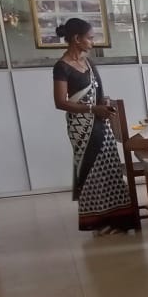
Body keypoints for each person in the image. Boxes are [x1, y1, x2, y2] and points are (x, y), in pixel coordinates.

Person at [51, 17, 138, 235]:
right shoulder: (62, 67)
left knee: (110, 166)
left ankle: (117, 219)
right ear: (76, 39)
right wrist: (92, 109)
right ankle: (97, 221)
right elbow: (60, 102)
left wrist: (104, 107)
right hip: (81, 126)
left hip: (100, 121)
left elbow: (99, 94)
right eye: (90, 38)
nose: (93, 42)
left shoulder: (89, 63)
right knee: (91, 171)